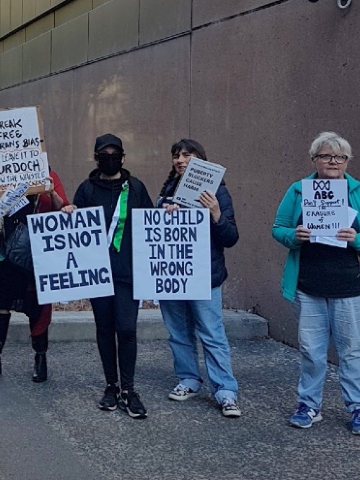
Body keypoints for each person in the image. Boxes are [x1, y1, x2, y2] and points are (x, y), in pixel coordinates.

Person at [272, 132, 360, 436]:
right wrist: (293, 235)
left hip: (352, 286)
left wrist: (359, 239)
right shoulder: (299, 191)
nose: (333, 161)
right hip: (310, 286)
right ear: (314, 160)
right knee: (311, 350)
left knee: (351, 350)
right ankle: (309, 405)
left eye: (339, 157)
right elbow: (278, 228)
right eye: (325, 156)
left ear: (348, 162)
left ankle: (359, 409)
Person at [156, 139, 242, 417]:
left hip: (205, 277)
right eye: (176, 156)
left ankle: (226, 391)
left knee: (212, 334)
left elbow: (231, 237)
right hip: (173, 273)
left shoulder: (218, 192)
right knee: (178, 332)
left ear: (201, 160)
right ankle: (189, 380)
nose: (180, 160)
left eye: (187, 155)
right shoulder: (168, 190)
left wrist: (215, 213)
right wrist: (165, 215)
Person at [72, 133, 154, 419]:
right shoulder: (86, 189)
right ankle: (111, 385)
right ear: (96, 158)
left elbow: (152, 225)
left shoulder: (137, 188)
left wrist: (168, 215)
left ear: (122, 156)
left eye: (114, 153)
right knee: (105, 330)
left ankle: (129, 390)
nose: (110, 158)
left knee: (127, 329)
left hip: (128, 273)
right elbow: (74, 231)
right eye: (104, 154)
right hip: (98, 274)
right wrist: (69, 212)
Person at [0, 171, 71, 383]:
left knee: (37, 307)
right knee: (0, 304)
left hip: (37, 254)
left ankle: (40, 358)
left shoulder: (48, 174)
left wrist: (51, 193)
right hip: (7, 250)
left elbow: (64, 207)